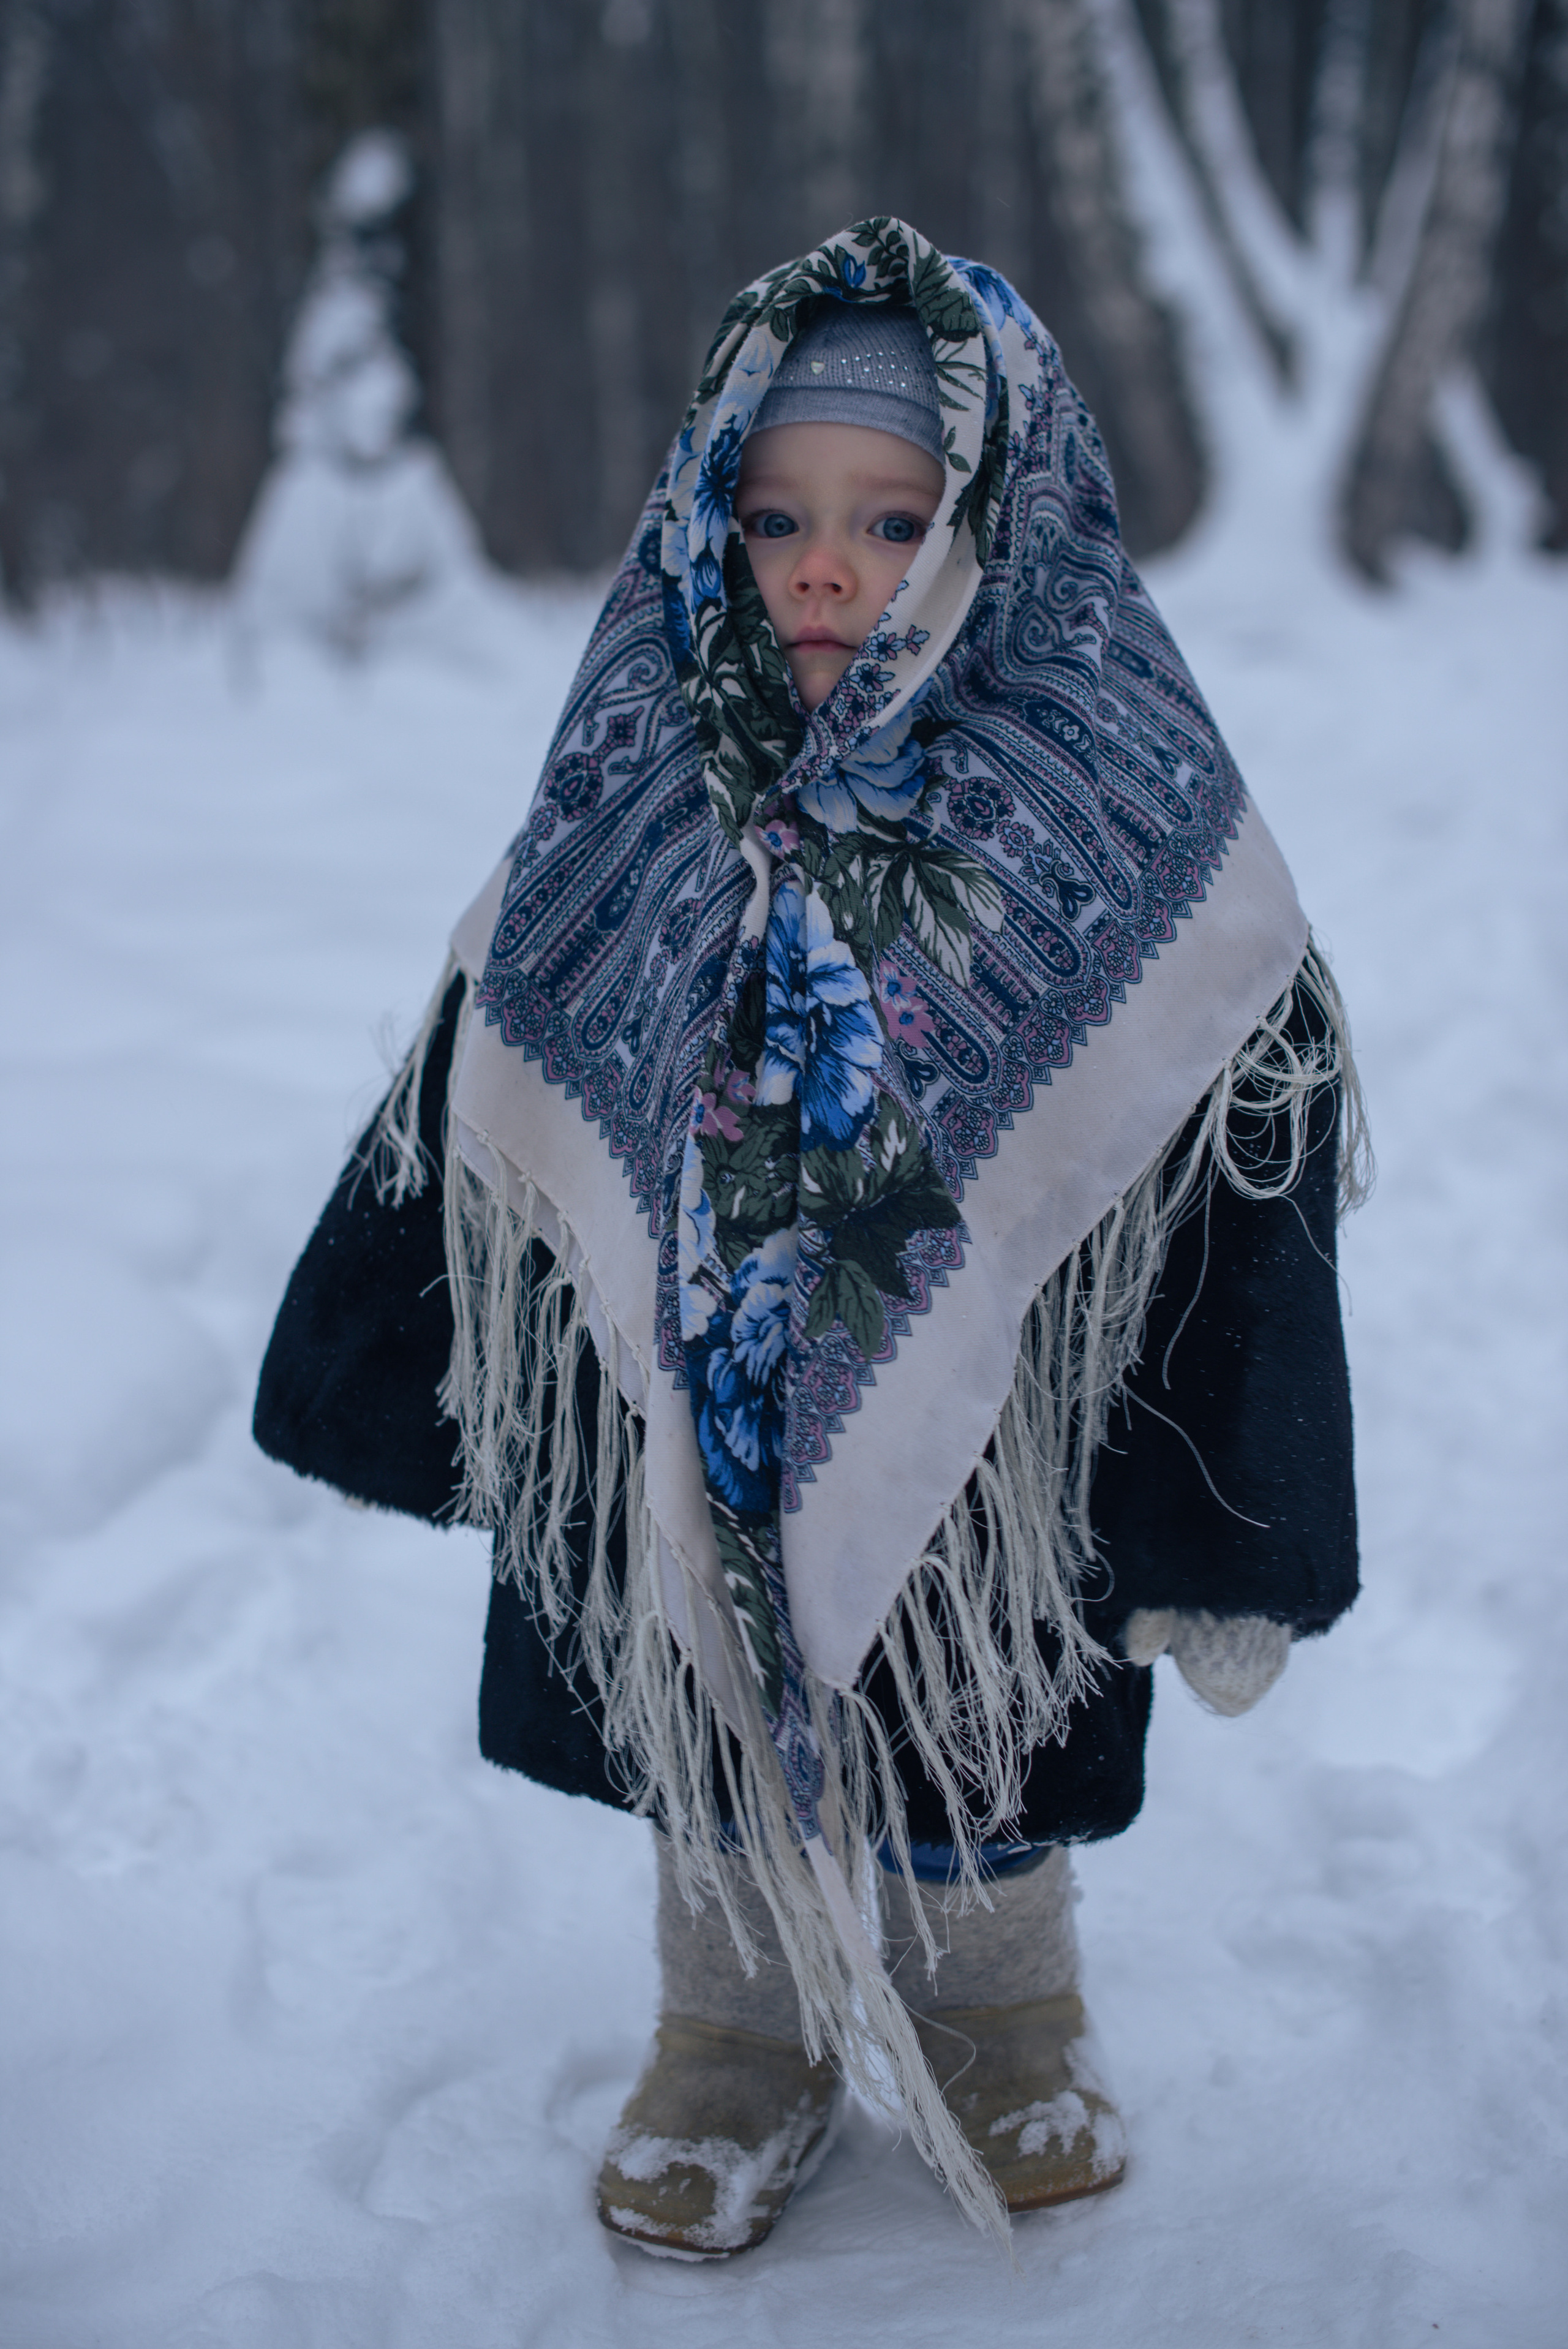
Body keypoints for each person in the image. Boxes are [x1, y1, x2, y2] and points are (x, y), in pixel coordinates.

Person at [255, 219, 1368, 2259]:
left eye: (891, 512)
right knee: (699, 1705)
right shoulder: (644, 761)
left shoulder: (1114, 790)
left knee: (980, 1718)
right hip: (682, 1390)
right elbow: (503, 1066)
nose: (826, 567)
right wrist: (379, 1366)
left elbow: (1231, 1131)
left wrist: (1242, 1523)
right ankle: (734, 2028)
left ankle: (997, 2000)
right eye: (773, 515)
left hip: (1002, 1436)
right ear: (708, 509)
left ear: (1000, 514)